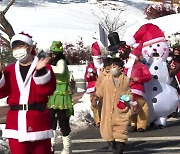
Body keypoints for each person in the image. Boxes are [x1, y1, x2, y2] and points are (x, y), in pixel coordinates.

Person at [0, 32, 56, 154]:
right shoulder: (9, 70)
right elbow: (2, 92)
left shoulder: (44, 68)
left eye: (20, 46)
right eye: (15, 47)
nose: (17, 50)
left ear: (30, 48)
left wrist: (40, 72)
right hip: (16, 124)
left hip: (38, 122)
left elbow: (48, 90)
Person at [94, 58, 132, 154]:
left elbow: (130, 94)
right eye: (111, 66)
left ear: (120, 68)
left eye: (114, 66)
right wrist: (95, 98)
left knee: (121, 135)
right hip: (108, 112)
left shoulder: (126, 80)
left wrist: (128, 99)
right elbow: (100, 91)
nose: (112, 68)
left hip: (121, 112)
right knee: (110, 135)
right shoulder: (107, 79)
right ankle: (114, 148)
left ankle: (119, 151)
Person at [47, 41, 74, 154]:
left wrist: (47, 66)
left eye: (52, 53)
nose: (51, 55)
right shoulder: (53, 64)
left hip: (62, 94)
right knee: (51, 121)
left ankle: (66, 147)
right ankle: (51, 145)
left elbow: (60, 70)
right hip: (53, 94)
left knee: (63, 122)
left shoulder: (61, 62)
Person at [124, 43, 152, 132]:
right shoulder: (126, 67)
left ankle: (141, 125)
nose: (129, 59)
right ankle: (133, 123)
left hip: (138, 89)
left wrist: (139, 79)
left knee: (141, 107)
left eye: (131, 57)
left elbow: (148, 76)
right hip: (127, 89)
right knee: (130, 106)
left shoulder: (142, 66)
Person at [84, 41, 103, 127]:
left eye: (99, 58)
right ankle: (98, 121)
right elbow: (86, 78)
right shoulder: (90, 66)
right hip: (93, 88)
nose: (98, 60)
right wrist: (89, 75)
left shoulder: (104, 65)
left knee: (104, 104)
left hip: (103, 87)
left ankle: (104, 119)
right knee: (94, 105)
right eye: (96, 59)